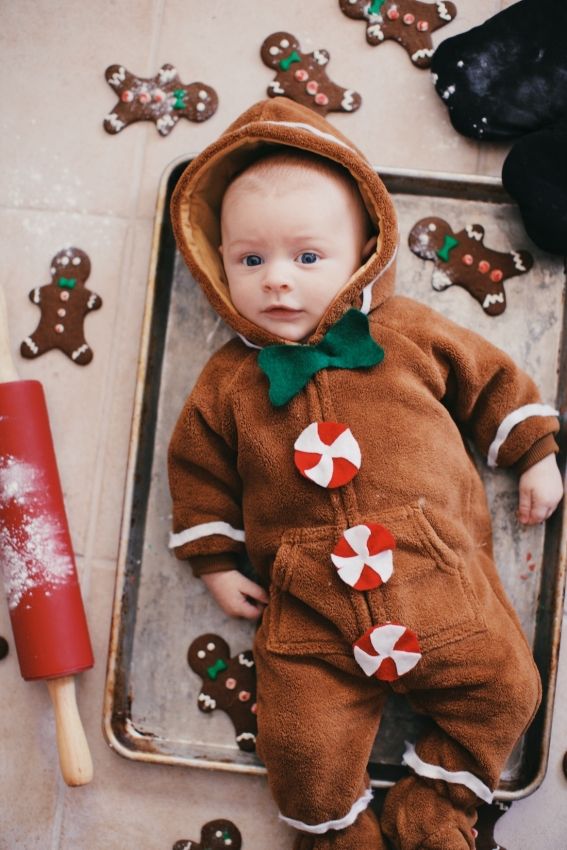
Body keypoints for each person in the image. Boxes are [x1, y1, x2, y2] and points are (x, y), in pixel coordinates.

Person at [168, 98, 563, 850]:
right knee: (302, 747)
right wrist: (215, 564)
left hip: (436, 579)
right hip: (309, 613)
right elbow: (196, 474)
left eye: (307, 257)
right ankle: (336, 834)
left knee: (510, 690)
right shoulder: (224, 383)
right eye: (250, 260)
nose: (278, 282)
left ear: (362, 253)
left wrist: (534, 453)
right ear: (214, 265)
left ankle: (435, 805)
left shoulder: (404, 330)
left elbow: (488, 380)